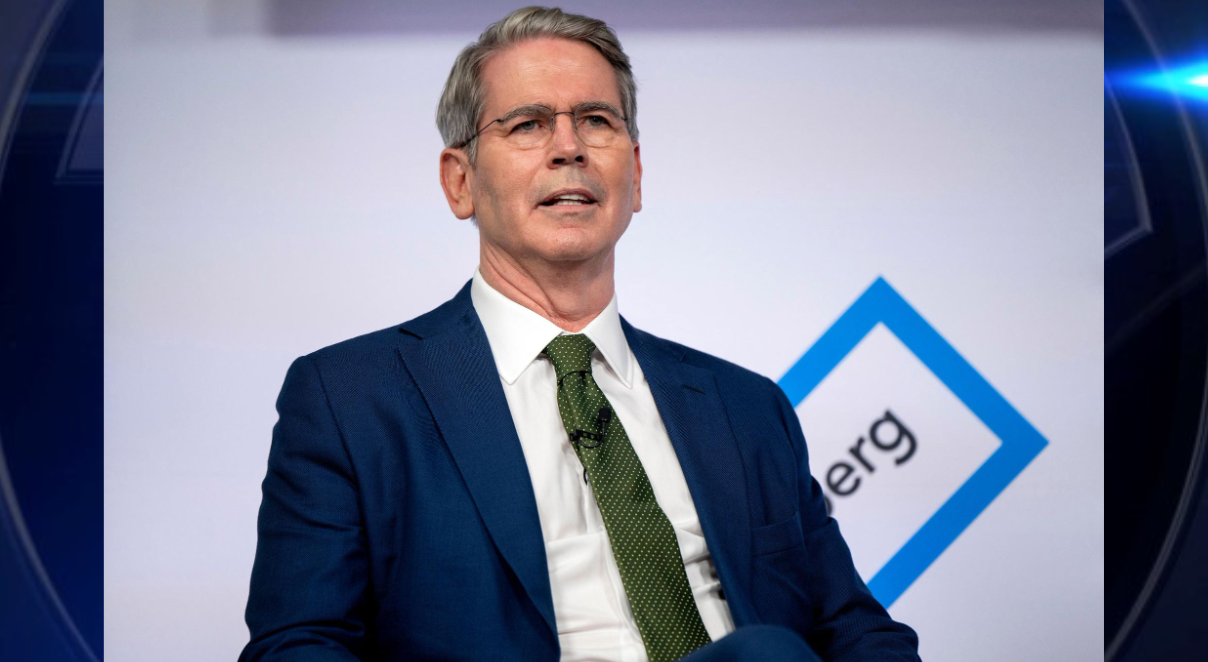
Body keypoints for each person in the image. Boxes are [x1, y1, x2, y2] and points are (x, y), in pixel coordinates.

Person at [239, 6, 921, 662]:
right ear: (460, 181)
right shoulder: (349, 400)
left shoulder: (748, 409)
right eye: (528, 124)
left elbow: (855, 632)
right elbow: (297, 644)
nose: (569, 148)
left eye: (596, 120)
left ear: (636, 175)